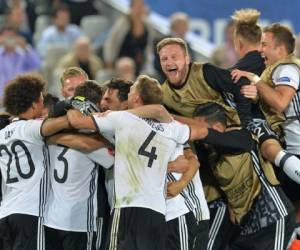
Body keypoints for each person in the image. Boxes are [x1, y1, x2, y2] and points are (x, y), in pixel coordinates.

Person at [66, 75, 209, 250]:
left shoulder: (121, 119)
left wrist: (69, 104)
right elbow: (202, 131)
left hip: (128, 207)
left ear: (135, 98)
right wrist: (165, 116)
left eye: (132, 90)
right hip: (157, 213)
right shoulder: (171, 128)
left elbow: (76, 121)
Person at [186, 102, 295, 250]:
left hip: (272, 219)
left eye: (201, 128)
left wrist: (169, 118)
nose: (198, 136)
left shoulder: (241, 137)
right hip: (247, 229)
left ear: (218, 128)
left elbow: (210, 136)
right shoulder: (212, 155)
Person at [231, 22, 300, 237]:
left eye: (265, 45)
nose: (260, 50)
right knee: (293, 218)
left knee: (268, 148)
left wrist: (255, 79)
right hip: (292, 153)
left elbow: (280, 102)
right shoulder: (275, 72)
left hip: (295, 150)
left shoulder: (287, 68)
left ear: (280, 49)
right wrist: (257, 93)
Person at [0, 73, 72, 250]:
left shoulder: (2, 134)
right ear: (32, 104)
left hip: (6, 213)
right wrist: (71, 104)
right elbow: (65, 122)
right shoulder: (32, 128)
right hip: (30, 212)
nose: (43, 102)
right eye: (40, 98)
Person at [44, 80, 113, 250]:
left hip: (52, 218)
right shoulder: (92, 137)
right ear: (96, 104)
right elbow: (113, 159)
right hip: (80, 221)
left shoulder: (51, 129)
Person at [103, 0, 154, 75]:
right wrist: (109, 61)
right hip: (121, 62)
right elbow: (111, 43)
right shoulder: (123, 23)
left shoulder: (147, 25)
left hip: (139, 65)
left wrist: (148, 66)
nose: (139, 8)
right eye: (137, 6)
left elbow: (148, 48)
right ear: (131, 7)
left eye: (141, 5)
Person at [0, 26, 41, 101]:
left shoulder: (24, 53)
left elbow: (37, 64)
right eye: (6, 36)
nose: (9, 39)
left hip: (20, 94)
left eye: (11, 36)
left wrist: (25, 47)